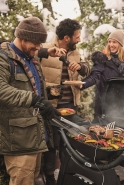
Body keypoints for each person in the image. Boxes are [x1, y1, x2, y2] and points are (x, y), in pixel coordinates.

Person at [0, 17, 63, 185]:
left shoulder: (32, 58)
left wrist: (47, 102)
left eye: (40, 44)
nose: (38, 47)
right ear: (22, 37)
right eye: (35, 43)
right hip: (16, 140)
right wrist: (33, 99)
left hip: (33, 137)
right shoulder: (2, 58)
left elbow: (33, 89)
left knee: (31, 179)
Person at [40, 18, 90, 185]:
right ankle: (49, 177)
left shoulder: (75, 52)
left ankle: (65, 174)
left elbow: (87, 70)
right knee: (51, 143)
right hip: (52, 106)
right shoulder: (45, 50)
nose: (79, 39)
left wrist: (81, 68)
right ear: (66, 38)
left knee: (68, 142)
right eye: (77, 36)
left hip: (70, 106)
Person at [79, 29, 124, 123]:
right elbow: (95, 76)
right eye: (109, 41)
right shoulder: (102, 59)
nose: (111, 45)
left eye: (114, 42)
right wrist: (83, 84)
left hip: (119, 105)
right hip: (103, 104)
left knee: (117, 134)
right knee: (100, 132)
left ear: (120, 44)